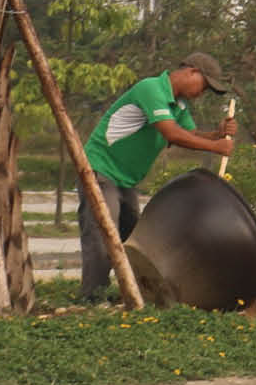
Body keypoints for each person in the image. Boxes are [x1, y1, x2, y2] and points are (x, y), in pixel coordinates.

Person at [77, 52, 237, 303]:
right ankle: (92, 299)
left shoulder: (179, 104)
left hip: (125, 180)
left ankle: (134, 294)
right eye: (204, 86)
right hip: (100, 170)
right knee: (102, 235)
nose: (202, 93)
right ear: (192, 71)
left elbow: (191, 134)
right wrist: (215, 148)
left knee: (135, 239)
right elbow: (173, 134)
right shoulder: (151, 89)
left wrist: (217, 135)